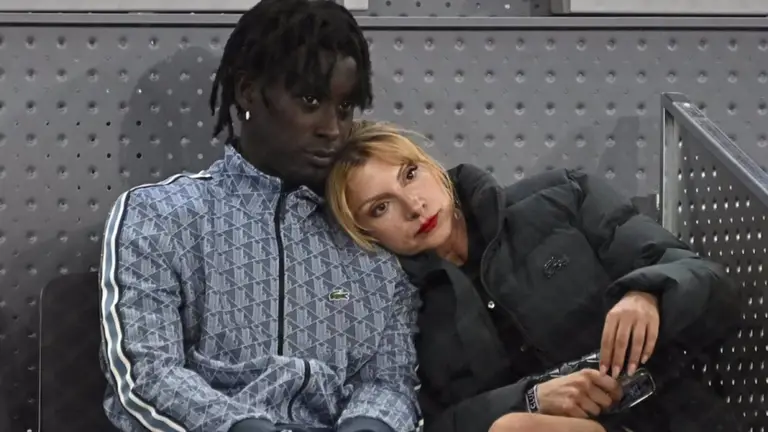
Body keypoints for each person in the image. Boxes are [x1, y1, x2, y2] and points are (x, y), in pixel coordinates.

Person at [97, 3, 421, 432]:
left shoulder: (364, 231)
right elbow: (148, 373)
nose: (332, 129)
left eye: (344, 107)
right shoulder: (161, 217)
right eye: (310, 100)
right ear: (248, 91)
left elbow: (391, 383)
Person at [325, 120, 742, 432]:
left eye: (410, 174)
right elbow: (434, 423)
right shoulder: (397, 308)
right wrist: (530, 399)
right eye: (381, 208)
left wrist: (647, 293)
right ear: (365, 233)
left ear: (432, 166)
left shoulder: (562, 197)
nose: (413, 206)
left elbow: (710, 283)